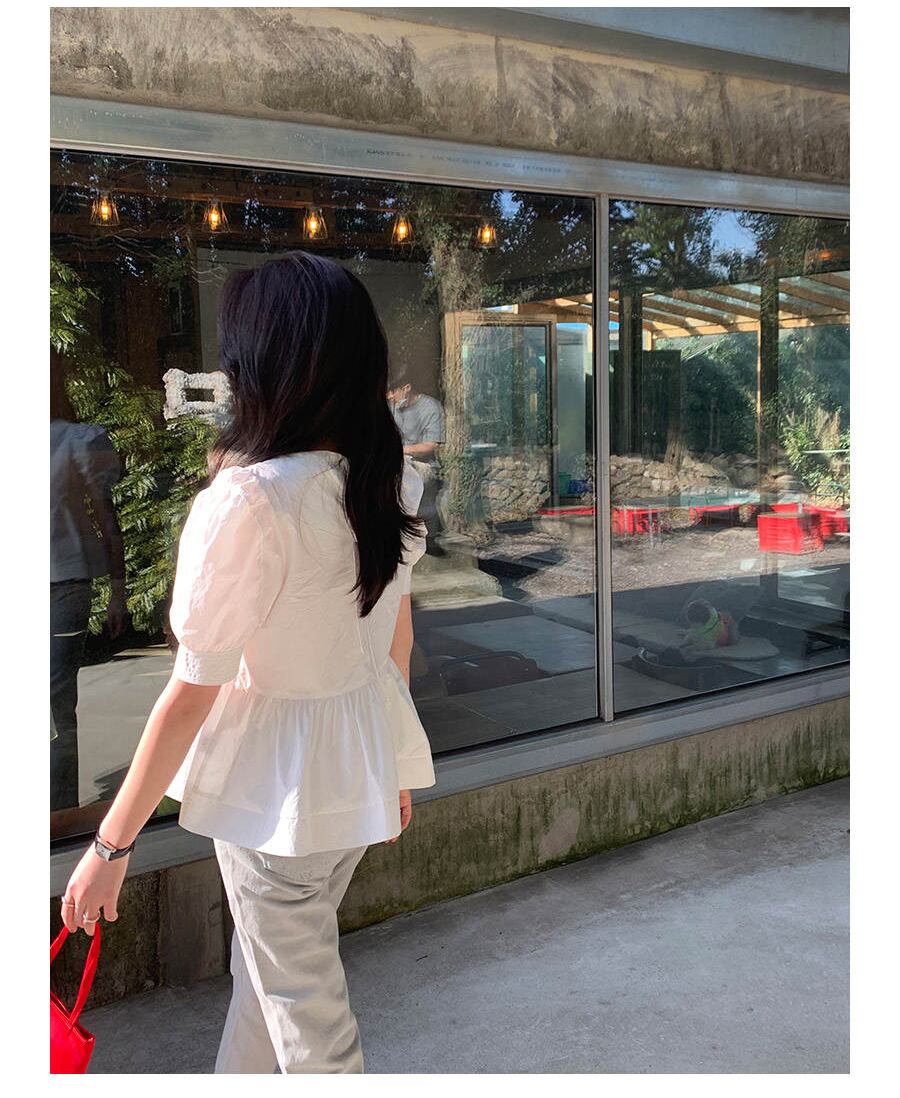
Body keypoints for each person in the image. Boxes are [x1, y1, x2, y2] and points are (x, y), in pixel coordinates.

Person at [60, 252, 436, 1074]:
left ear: (264, 367)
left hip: (275, 799)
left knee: (312, 1030)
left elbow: (191, 693)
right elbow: (395, 640)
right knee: (266, 985)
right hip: (348, 776)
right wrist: (393, 768)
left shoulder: (248, 500)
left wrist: (110, 850)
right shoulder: (390, 481)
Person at [50, 358, 127, 813]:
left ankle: (59, 813)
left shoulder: (73, 440)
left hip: (64, 584)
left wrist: (118, 589)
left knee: (53, 698)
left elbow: (106, 518)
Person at [388, 369, 445, 553]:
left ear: (406, 388)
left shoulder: (430, 407)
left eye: (393, 391)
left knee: (417, 483)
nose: (390, 396)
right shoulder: (391, 406)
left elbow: (431, 445)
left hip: (422, 463)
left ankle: (429, 539)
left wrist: (401, 450)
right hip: (396, 460)